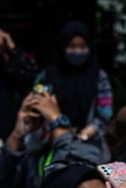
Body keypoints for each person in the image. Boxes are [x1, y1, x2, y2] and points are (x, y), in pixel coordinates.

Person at [36, 20, 113, 151]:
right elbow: (37, 104)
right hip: (51, 143)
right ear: (63, 47)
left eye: (83, 46)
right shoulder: (47, 76)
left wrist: (85, 134)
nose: (78, 51)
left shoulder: (99, 77)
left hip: (89, 144)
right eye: (72, 46)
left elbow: (105, 113)